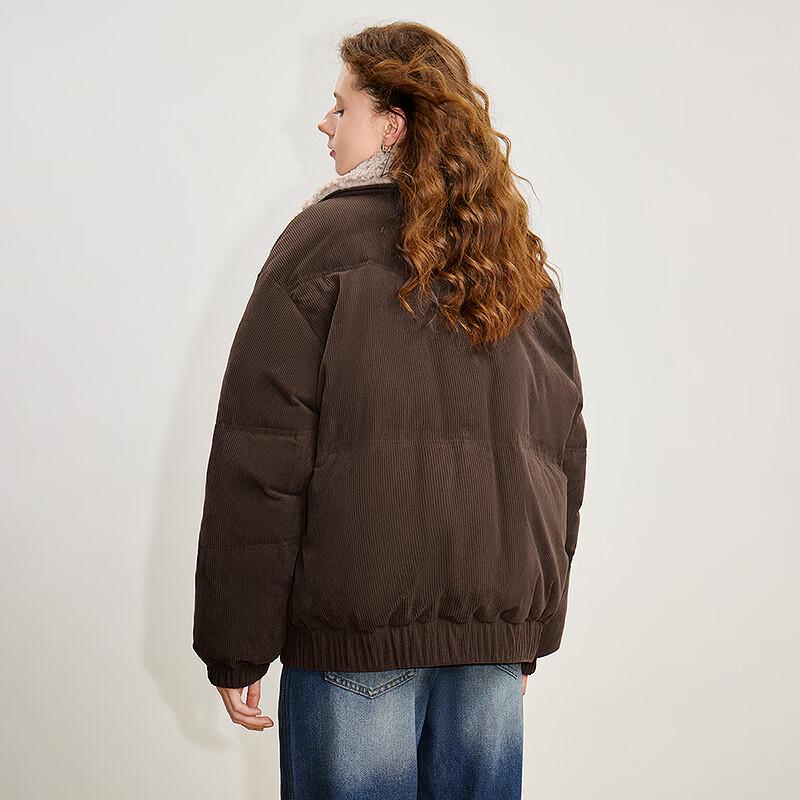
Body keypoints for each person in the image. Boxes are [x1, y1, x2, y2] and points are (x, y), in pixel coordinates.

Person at [192, 21, 588, 800]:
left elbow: (262, 457)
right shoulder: (513, 262)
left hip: (356, 637)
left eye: (342, 107)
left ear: (392, 126)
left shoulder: (320, 244)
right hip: (488, 643)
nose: (324, 123)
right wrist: (523, 632)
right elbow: (562, 457)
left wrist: (235, 643)